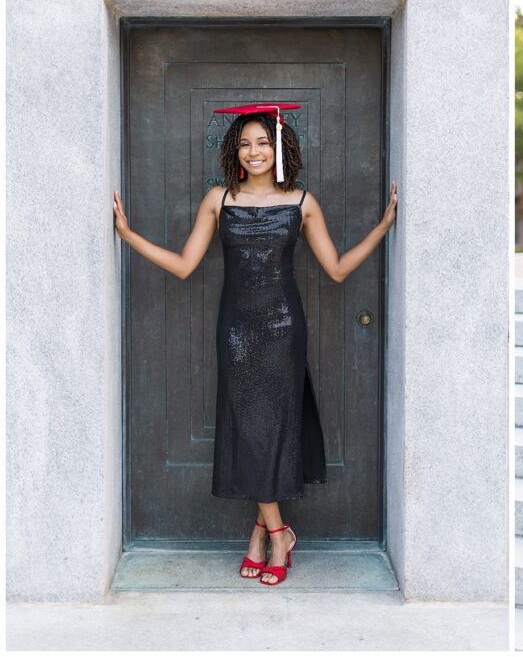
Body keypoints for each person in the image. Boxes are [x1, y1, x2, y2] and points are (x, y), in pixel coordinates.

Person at [113, 103, 397, 586]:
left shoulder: (303, 203)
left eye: (263, 142)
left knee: (274, 429)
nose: (254, 151)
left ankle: (266, 534)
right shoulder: (217, 199)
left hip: (284, 329)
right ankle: (276, 532)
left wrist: (383, 227)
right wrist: (127, 235)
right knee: (248, 427)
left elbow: (337, 268)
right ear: (234, 151)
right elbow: (184, 265)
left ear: (279, 146)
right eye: (245, 143)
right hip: (237, 332)